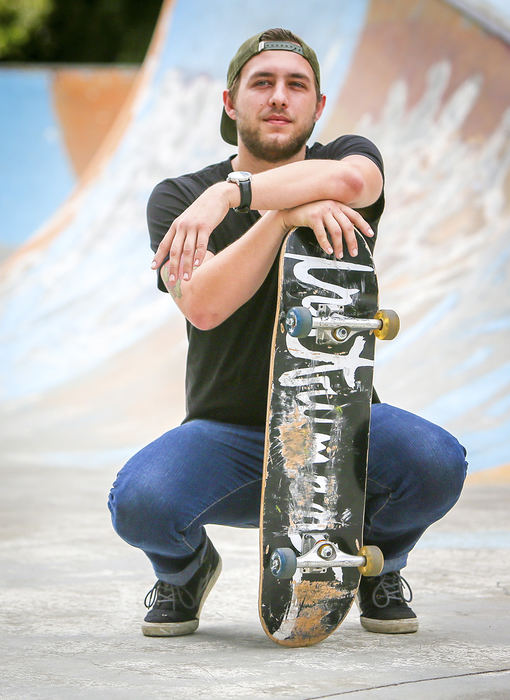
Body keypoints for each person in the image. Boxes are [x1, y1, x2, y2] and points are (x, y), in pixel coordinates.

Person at [108, 28, 467, 638]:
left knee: (437, 462)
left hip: (341, 432)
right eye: (262, 83)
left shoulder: (345, 157)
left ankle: (377, 563)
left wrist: (238, 194)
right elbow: (203, 306)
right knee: (141, 503)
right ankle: (185, 570)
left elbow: (354, 185)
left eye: (296, 85)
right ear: (230, 103)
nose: (279, 97)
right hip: (229, 437)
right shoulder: (179, 199)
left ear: (318, 106)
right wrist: (281, 217)